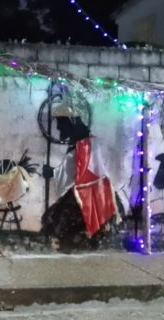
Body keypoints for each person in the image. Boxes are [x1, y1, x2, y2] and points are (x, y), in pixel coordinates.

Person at [45, 97, 119, 242]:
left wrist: (52, 172)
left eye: (60, 124)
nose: (59, 128)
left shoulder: (83, 144)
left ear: (70, 123)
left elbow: (76, 170)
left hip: (89, 190)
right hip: (87, 187)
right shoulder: (84, 142)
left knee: (55, 218)